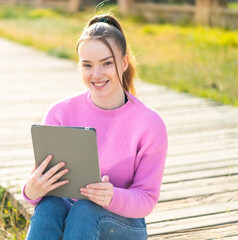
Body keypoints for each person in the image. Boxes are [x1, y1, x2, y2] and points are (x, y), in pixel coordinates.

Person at [22, 13, 168, 240]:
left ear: (124, 62)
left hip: (123, 224)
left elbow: (146, 199)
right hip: (70, 219)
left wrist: (111, 197)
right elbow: (41, 182)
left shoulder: (149, 123)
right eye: (87, 65)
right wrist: (30, 191)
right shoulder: (60, 113)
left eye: (107, 63)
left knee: (85, 209)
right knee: (50, 205)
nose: (96, 74)